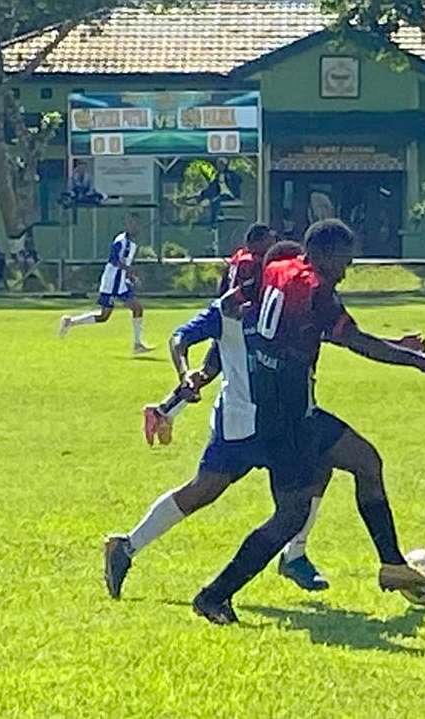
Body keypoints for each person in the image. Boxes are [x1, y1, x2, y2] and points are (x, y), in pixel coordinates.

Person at [191, 219, 425, 625]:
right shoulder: (316, 289)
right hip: (289, 422)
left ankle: (391, 563)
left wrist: (397, 346)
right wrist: (416, 361)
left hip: (281, 411)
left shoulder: (280, 268)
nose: (346, 271)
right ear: (323, 255)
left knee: (366, 462)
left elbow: (309, 325)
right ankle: (213, 596)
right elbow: (355, 341)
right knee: (290, 516)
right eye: (344, 262)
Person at [104, 242, 334, 598]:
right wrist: (177, 390)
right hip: (240, 424)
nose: (240, 294)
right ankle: (126, 547)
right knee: (203, 491)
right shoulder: (225, 311)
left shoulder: (284, 305)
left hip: (279, 423)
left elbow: (334, 332)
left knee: (317, 468)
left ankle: (295, 554)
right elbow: (183, 341)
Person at [140, 223, 278, 447]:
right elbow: (249, 293)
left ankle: (163, 412)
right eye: (270, 239)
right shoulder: (254, 262)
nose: (274, 244)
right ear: (257, 241)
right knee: (236, 374)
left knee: (206, 373)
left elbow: (223, 288)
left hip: (225, 321)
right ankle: (164, 413)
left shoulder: (239, 258)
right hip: (239, 323)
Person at [57, 214, 152, 354]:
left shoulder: (132, 244)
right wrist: (128, 270)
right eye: (132, 223)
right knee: (105, 316)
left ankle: (137, 344)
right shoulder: (121, 241)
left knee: (136, 309)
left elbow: (125, 262)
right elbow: (113, 259)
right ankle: (70, 322)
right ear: (127, 225)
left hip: (121, 282)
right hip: (113, 281)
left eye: (137, 224)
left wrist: (129, 275)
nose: (135, 226)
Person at [198, 158, 242, 227]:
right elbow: (212, 188)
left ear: (225, 165)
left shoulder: (231, 175)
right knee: (213, 199)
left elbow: (238, 180)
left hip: (229, 195)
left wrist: (235, 193)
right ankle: (216, 215)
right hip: (220, 195)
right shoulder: (216, 176)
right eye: (219, 165)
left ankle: (213, 222)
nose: (220, 167)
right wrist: (202, 194)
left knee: (215, 201)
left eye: (222, 165)